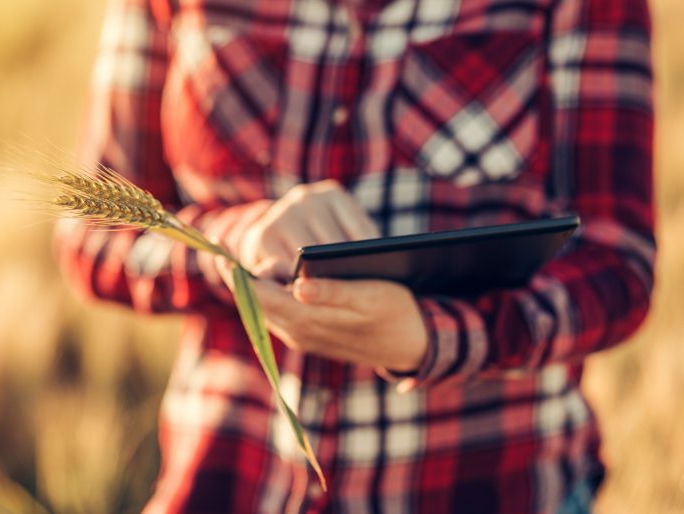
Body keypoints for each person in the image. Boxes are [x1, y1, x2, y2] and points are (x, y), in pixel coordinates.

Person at [55, 0, 655, 512]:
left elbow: (616, 264)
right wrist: (233, 246)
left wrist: (432, 340)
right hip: (230, 481)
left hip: (494, 486)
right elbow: (92, 232)